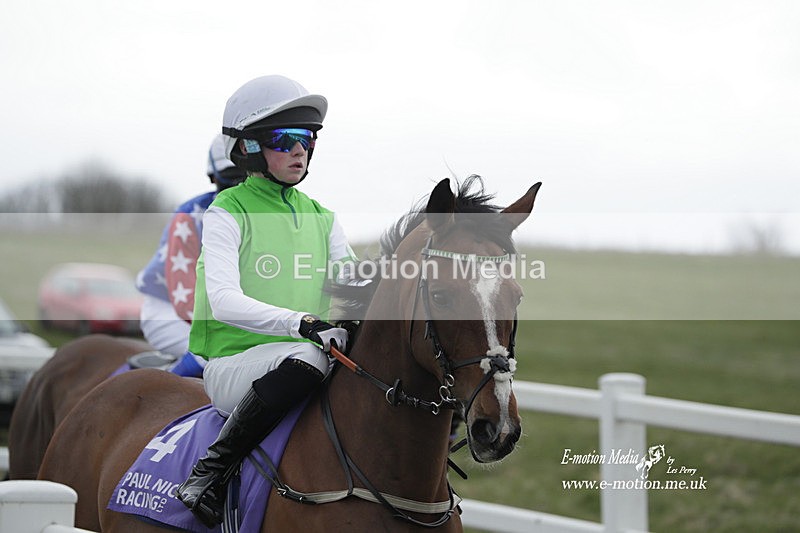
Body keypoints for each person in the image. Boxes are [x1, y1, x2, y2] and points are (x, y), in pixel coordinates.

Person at [176, 74, 355, 527]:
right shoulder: (227, 211)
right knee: (311, 357)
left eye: (308, 138)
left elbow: (355, 285)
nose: (301, 150)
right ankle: (209, 473)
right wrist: (304, 323)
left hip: (296, 355)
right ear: (250, 148)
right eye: (285, 139)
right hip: (233, 366)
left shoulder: (324, 216)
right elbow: (223, 301)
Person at [136, 135, 247, 375]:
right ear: (213, 177)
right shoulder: (190, 216)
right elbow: (185, 299)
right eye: (231, 179)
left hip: (221, 314)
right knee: (213, 354)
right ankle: (160, 391)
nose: (238, 188)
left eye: (244, 178)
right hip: (168, 310)